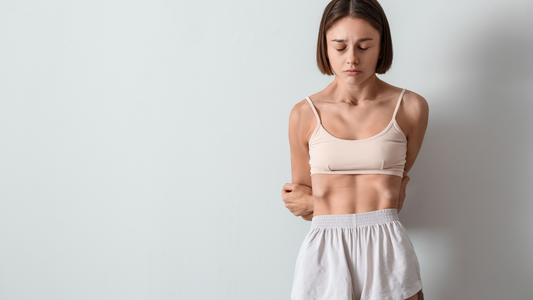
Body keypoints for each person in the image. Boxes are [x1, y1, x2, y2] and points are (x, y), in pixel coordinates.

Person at [281, 0, 429, 299]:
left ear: (381, 46)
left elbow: (395, 196)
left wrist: (323, 200)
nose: (352, 59)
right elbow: (301, 204)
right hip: (325, 248)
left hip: (387, 245)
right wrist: (320, 203)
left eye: (364, 46)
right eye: (339, 47)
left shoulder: (411, 107)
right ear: (324, 47)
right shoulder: (304, 114)